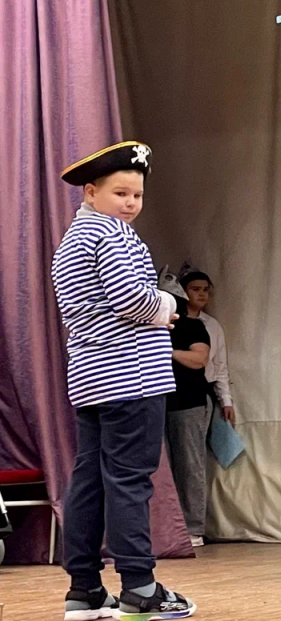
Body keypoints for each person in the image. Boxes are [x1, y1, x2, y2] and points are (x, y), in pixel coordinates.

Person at [51, 141, 197, 620]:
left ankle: (85, 590)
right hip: (132, 377)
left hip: (91, 378)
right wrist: (167, 306)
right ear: (90, 192)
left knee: (89, 480)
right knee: (130, 481)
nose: (131, 204)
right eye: (120, 193)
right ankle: (139, 586)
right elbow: (132, 299)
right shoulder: (113, 233)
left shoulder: (71, 239)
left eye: (137, 195)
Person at [165, 273, 212, 549]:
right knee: (163, 466)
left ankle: (193, 527)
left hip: (189, 402)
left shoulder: (193, 326)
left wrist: (167, 352)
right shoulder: (151, 330)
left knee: (189, 466)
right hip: (158, 403)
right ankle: (168, 526)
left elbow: (200, 359)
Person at [178, 267, 235, 425]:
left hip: (205, 391)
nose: (202, 294)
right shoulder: (173, 322)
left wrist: (226, 400)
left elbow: (220, 365)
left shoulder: (212, 325)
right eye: (196, 289)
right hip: (179, 393)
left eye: (205, 290)